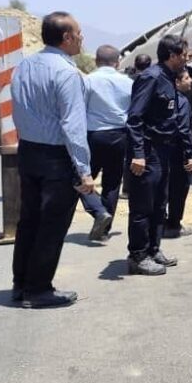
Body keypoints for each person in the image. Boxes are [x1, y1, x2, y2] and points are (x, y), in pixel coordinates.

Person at [10, 11, 94, 308]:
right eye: (80, 34)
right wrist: (84, 171)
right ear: (67, 37)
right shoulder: (67, 73)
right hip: (55, 158)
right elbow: (73, 125)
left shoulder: (23, 66)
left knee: (29, 222)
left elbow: (17, 111)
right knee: (52, 225)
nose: (83, 39)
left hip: (28, 151)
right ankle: (39, 289)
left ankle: (21, 284)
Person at [126, 35, 187, 276]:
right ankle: (138, 255)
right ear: (172, 56)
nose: (187, 58)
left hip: (163, 150)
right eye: (184, 54)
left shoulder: (168, 78)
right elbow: (134, 119)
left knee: (160, 203)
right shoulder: (150, 77)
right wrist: (138, 154)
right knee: (143, 206)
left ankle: (153, 248)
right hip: (148, 152)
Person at [79, 45, 131, 242]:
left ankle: (98, 211)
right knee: (112, 183)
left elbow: (79, 110)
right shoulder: (128, 82)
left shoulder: (88, 80)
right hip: (120, 136)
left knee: (80, 178)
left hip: (94, 136)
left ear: (95, 61)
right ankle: (105, 230)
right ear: (117, 62)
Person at [163, 67, 192, 238]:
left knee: (164, 188)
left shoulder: (163, 97)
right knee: (179, 189)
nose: (190, 81)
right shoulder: (182, 101)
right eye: (187, 78)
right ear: (177, 82)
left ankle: (161, 221)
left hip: (163, 151)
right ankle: (174, 224)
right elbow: (184, 130)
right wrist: (189, 156)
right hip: (178, 152)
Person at [120, 54, 152, 201]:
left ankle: (127, 189)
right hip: (144, 125)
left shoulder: (128, 80)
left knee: (129, 158)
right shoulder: (150, 81)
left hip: (128, 123)